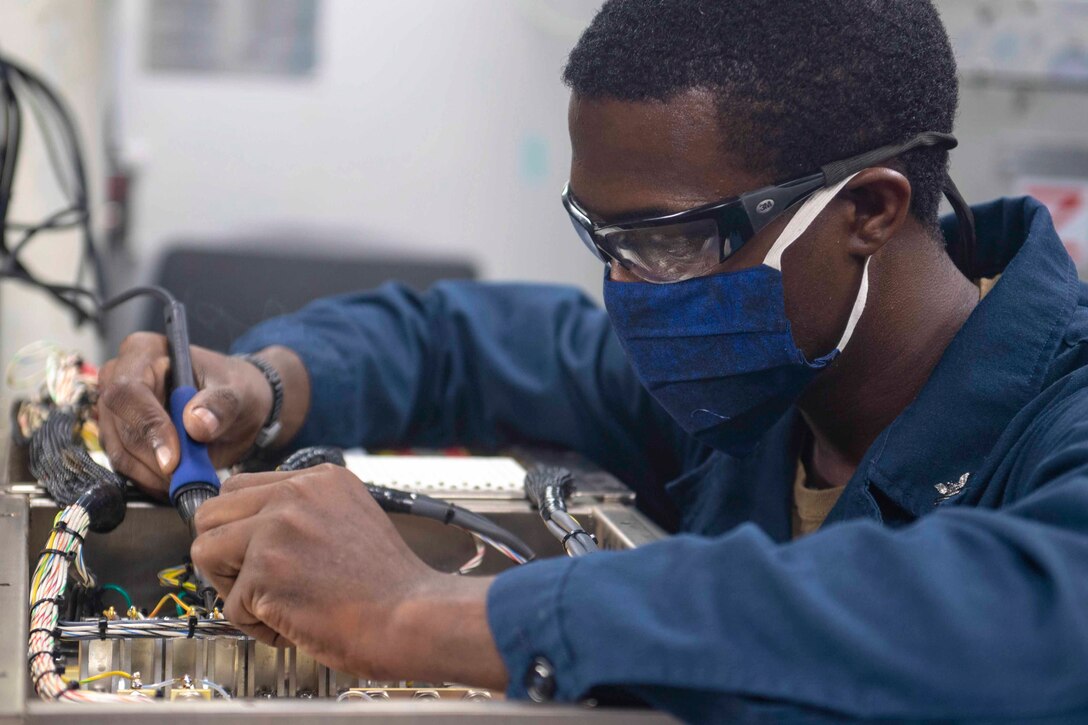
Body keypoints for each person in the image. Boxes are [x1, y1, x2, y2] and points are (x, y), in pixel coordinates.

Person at [97, 0, 1088, 720]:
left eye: (667, 239)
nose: (628, 286)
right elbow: (453, 345)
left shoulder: (1062, 415)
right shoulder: (754, 388)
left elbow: (1017, 620)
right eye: (602, 240)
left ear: (869, 210)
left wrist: (419, 611)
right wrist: (264, 386)